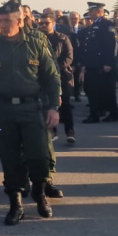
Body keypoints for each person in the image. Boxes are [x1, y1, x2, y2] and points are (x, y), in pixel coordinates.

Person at [0, 1, 61, 225]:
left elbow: (52, 77)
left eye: (8, 21)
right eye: (1, 21)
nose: (3, 25)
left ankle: (40, 193)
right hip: (4, 109)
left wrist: (54, 107)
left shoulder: (36, 44)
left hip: (33, 108)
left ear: (20, 21)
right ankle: (16, 203)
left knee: (39, 156)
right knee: (10, 157)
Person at [39, 13, 75, 144]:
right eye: (41, 23)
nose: (43, 25)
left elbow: (69, 57)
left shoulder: (62, 38)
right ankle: (52, 131)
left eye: (46, 23)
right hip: (43, 78)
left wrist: (55, 68)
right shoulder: (36, 39)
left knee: (65, 105)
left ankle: (70, 131)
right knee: (48, 105)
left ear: (53, 24)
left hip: (62, 76)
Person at [81, 2, 118, 123]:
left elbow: (110, 45)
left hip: (102, 64)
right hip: (93, 63)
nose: (89, 13)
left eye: (91, 11)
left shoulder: (106, 25)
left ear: (98, 12)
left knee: (107, 91)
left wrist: (108, 63)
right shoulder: (95, 25)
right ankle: (95, 113)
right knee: (93, 90)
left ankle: (112, 114)